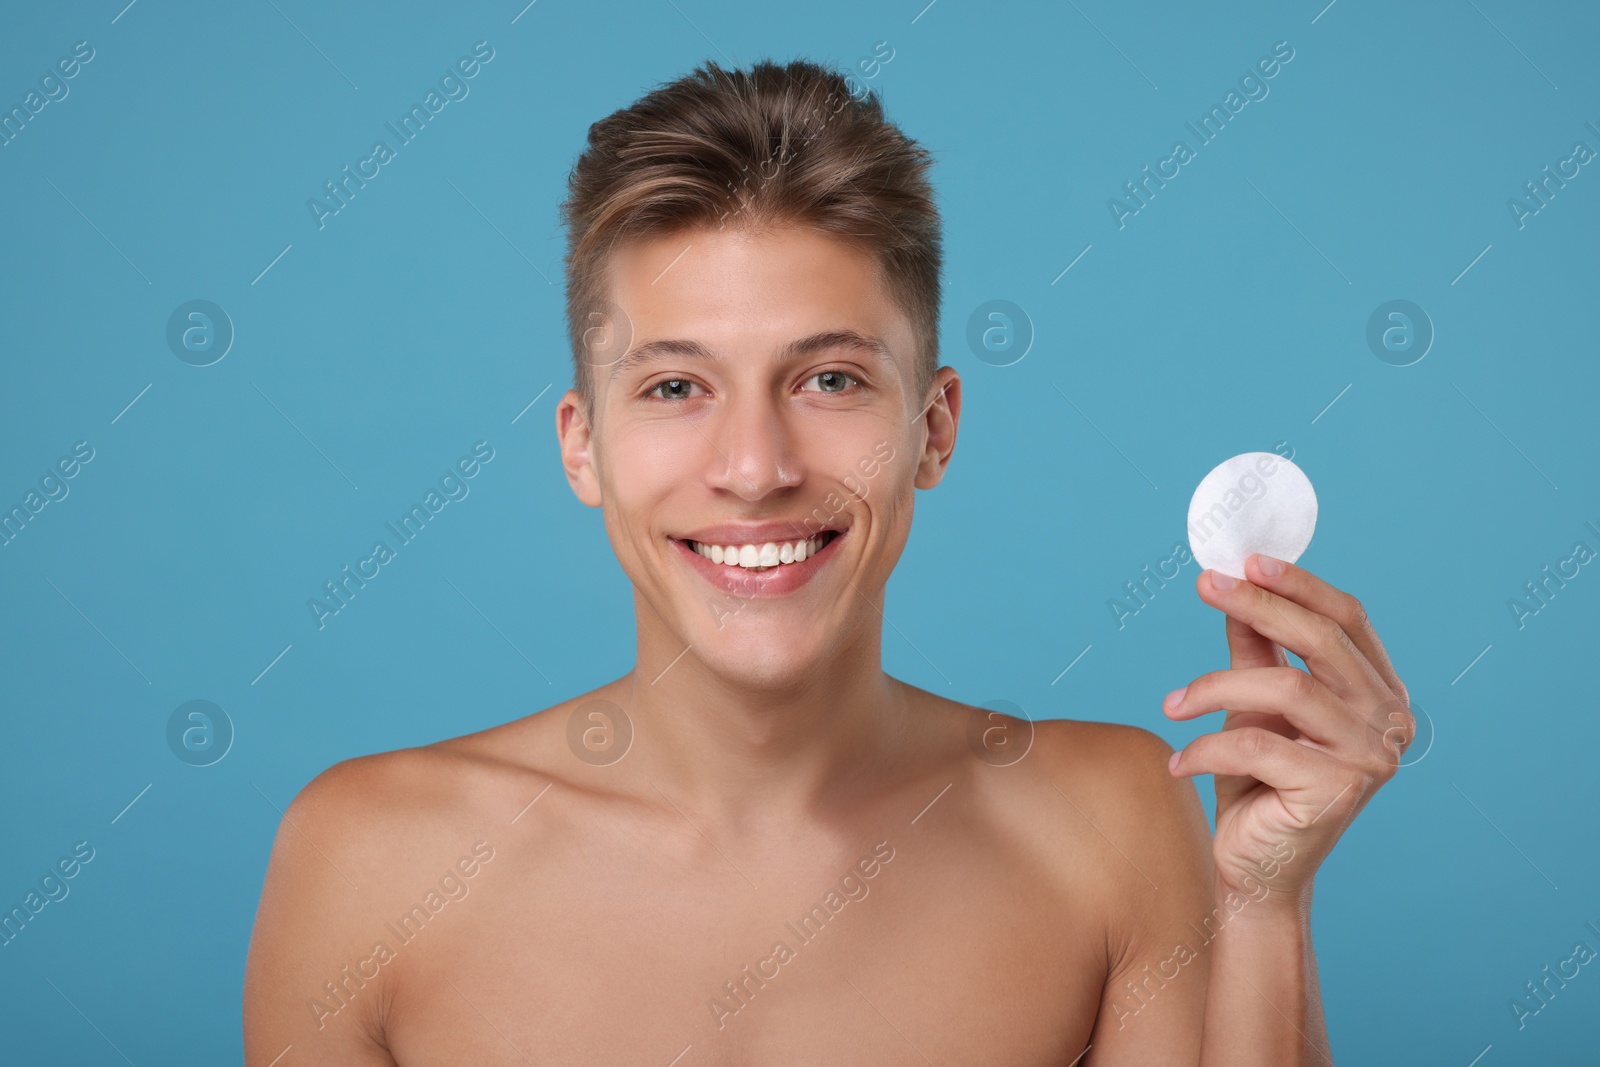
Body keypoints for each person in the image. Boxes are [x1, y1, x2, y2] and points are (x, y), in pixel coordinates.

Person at [244, 58, 1412, 1065]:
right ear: (583, 445)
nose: (754, 467)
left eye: (830, 379)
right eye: (674, 387)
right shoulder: (369, 861)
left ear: (935, 429)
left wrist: (1264, 905)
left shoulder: (1105, 823)